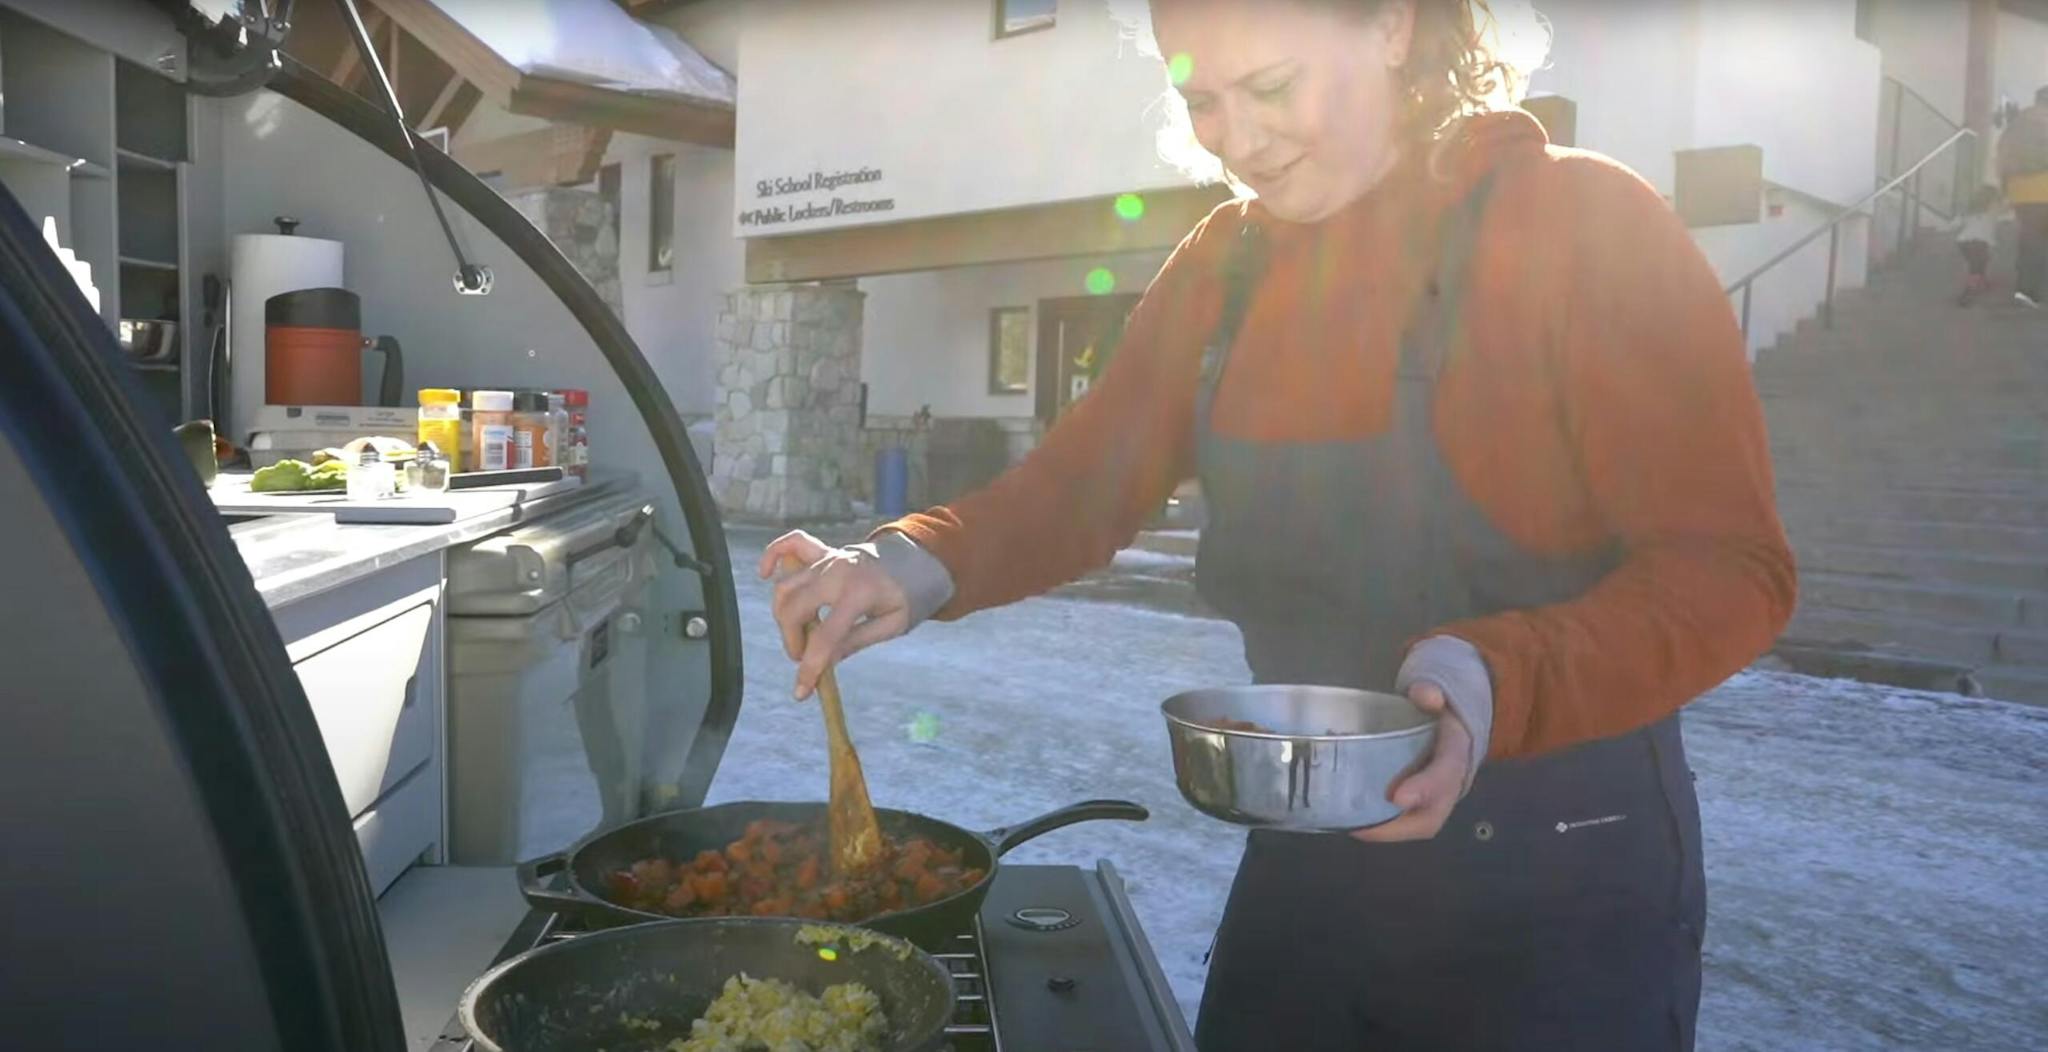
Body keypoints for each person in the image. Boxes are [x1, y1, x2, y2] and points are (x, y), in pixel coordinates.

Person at [760, 1, 1796, 1048]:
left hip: (1557, 882)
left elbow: (1730, 569)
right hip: (1311, 861)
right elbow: (1084, 482)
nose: (1236, 140)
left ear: (1392, 27)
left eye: (1269, 87)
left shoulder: (1581, 222)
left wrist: (1495, 675)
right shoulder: (1226, 265)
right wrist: (911, 557)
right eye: (1199, 99)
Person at [1996, 85, 2048, 307]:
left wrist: (2005, 188)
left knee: (2030, 240)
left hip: (2021, 192)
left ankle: (2026, 290)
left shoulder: (2017, 124)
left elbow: (2003, 155)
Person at [1953, 185, 2004, 307]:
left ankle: (1982, 282)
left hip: (1964, 242)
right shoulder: (1993, 210)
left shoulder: (1969, 211)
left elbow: (1955, 223)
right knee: (1977, 265)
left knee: (1981, 261)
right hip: (1979, 242)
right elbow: (2005, 212)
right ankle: (1968, 292)